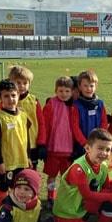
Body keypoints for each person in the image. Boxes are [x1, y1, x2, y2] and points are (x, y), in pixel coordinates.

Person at [50, 129, 112, 222]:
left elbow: (106, 186)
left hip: (83, 207)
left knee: (110, 202)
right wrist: (111, 197)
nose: (104, 153)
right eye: (100, 148)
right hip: (68, 211)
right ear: (88, 148)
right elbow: (87, 194)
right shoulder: (79, 168)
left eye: (107, 149)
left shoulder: (103, 166)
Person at [0, 79, 33, 208]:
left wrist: (28, 156)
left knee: (19, 187)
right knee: (3, 186)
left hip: (22, 160)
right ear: (0, 98)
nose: (10, 99)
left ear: (18, 95)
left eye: (13, 95)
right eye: (6, 96)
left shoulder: (23, 115)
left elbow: (27, 138)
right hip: (7, 162)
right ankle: (1, 210)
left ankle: (16, 209)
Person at [42, 76, 75, 208]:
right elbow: (45, 125)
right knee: (52, 174)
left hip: (69, 149)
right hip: (53, 148)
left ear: (72, 92)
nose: (64, 94)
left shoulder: (73, 105)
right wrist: (43, 144)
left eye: (67, 91)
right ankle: (51, 196)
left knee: (67, 177)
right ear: (56, 91)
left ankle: (66, 197)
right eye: (61, 91)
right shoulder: (51, 104)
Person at [9, 65, 47, 170]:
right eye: (18, 83)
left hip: (32, 145)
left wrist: (42, 143)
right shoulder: (7, 101)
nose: (21, 86)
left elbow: (41, 122)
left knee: (30, 174)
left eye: (25, 83)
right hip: (14, 145)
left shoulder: (34, 101)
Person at [71, 69, 108, 159]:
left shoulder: (100, 103)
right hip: (81, 146)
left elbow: (104, 122)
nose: (89, 89)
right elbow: (75, 126)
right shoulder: (76, 105)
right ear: (79, 86)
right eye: (85, 86)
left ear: (96, 86)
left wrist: (100, 139)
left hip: (97, 144)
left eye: (91, 86)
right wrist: (84, 143)